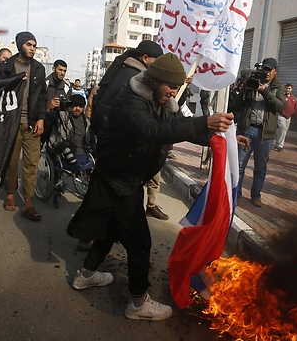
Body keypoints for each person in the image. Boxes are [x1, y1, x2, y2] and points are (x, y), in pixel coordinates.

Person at [66, 53, 235, 321]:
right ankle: (138, 302)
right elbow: (153, 131)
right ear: (154, 81)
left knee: (108, 232)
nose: (174, 92)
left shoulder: (161, 102)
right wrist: (205, 121)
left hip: (124, 178)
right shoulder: (130, 101)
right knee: (140, 243)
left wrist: (223, 137)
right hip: (119, 181)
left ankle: (86, 275)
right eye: (171, 86)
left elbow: (174, 128)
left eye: (178, 88)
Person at [91, 40, 171, 220]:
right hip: (117, 145)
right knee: (111, 199)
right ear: (144, 58)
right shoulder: (134, 79)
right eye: (156, 61)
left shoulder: (126, 71)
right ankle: (96, 236)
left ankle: (95, 235)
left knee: (102, 197)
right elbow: (143, 123)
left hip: (109, 141)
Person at [0, 31, 47, 221]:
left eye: (35, 45)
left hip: (32, 124)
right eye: (29, 44)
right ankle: (10, 193)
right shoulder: (5, 67)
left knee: (31, 164)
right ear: (20, 45)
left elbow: (42, 96)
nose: (33, 48)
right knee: (10, 161)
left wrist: (41, 118)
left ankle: (28, 202)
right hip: (11, 123)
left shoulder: (39, 69)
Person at [230, 57, 285, 207]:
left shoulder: (278, 88)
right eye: (264, 69)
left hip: (265, 134)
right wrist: (245, 89)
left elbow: (279, 106)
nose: (266, 73)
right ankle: (237, 194)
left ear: (275, 71)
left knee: (260, 167)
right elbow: (237, 104)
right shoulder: (252, 82)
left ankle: (256, 195)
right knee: (239, 165)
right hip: (248, 129)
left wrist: (265, 91)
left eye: (269, 70)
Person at [49, 94, 93, 170]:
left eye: (81, 106)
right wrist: (50, 108)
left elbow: (89, 140)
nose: (78, 108)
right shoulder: (63, 116)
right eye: (75, 105)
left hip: (82, 152)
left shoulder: (86, 122)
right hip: (65, 151)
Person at [273, 83, 297, 152]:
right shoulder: (282, 97)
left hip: (288, 117)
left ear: (291, 89)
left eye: (289, 88)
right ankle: (279, 145)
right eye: (286, 88)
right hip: (281, 115)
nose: (287, 90)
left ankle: (279, 144)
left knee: (284, 130)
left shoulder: (293, 99)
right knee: (282, 128)